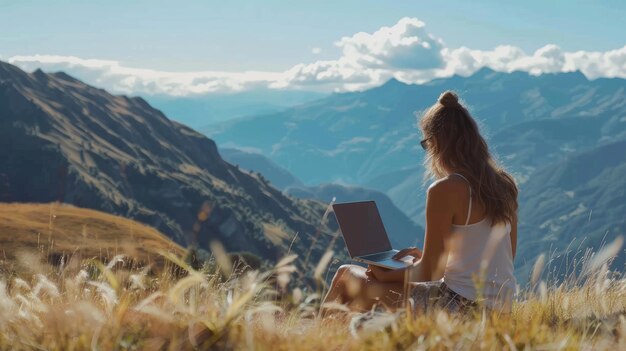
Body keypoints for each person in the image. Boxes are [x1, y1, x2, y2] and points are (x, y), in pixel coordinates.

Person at [322, 91, 518, 314]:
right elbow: (504, 254)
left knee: (346, 276)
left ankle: (318, 340)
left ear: (435, 142)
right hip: (501, 311)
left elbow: (431, 271)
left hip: (460, 310)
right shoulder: (504, 185)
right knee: (380, 283)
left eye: (426, 144)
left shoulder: (445, 189)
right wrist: (426, 257)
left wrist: (388, 274)